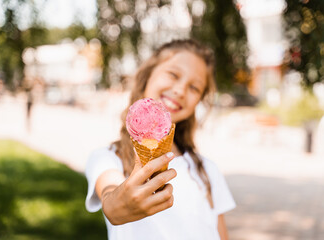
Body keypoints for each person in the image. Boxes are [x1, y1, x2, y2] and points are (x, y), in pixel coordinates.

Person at [85, 39, 236, 240]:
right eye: (173, 75)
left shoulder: (207, 170)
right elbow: (111, 199)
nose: (180, 91)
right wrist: (118, 204)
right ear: (148, 75)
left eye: (194, 88)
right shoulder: (109, 158)